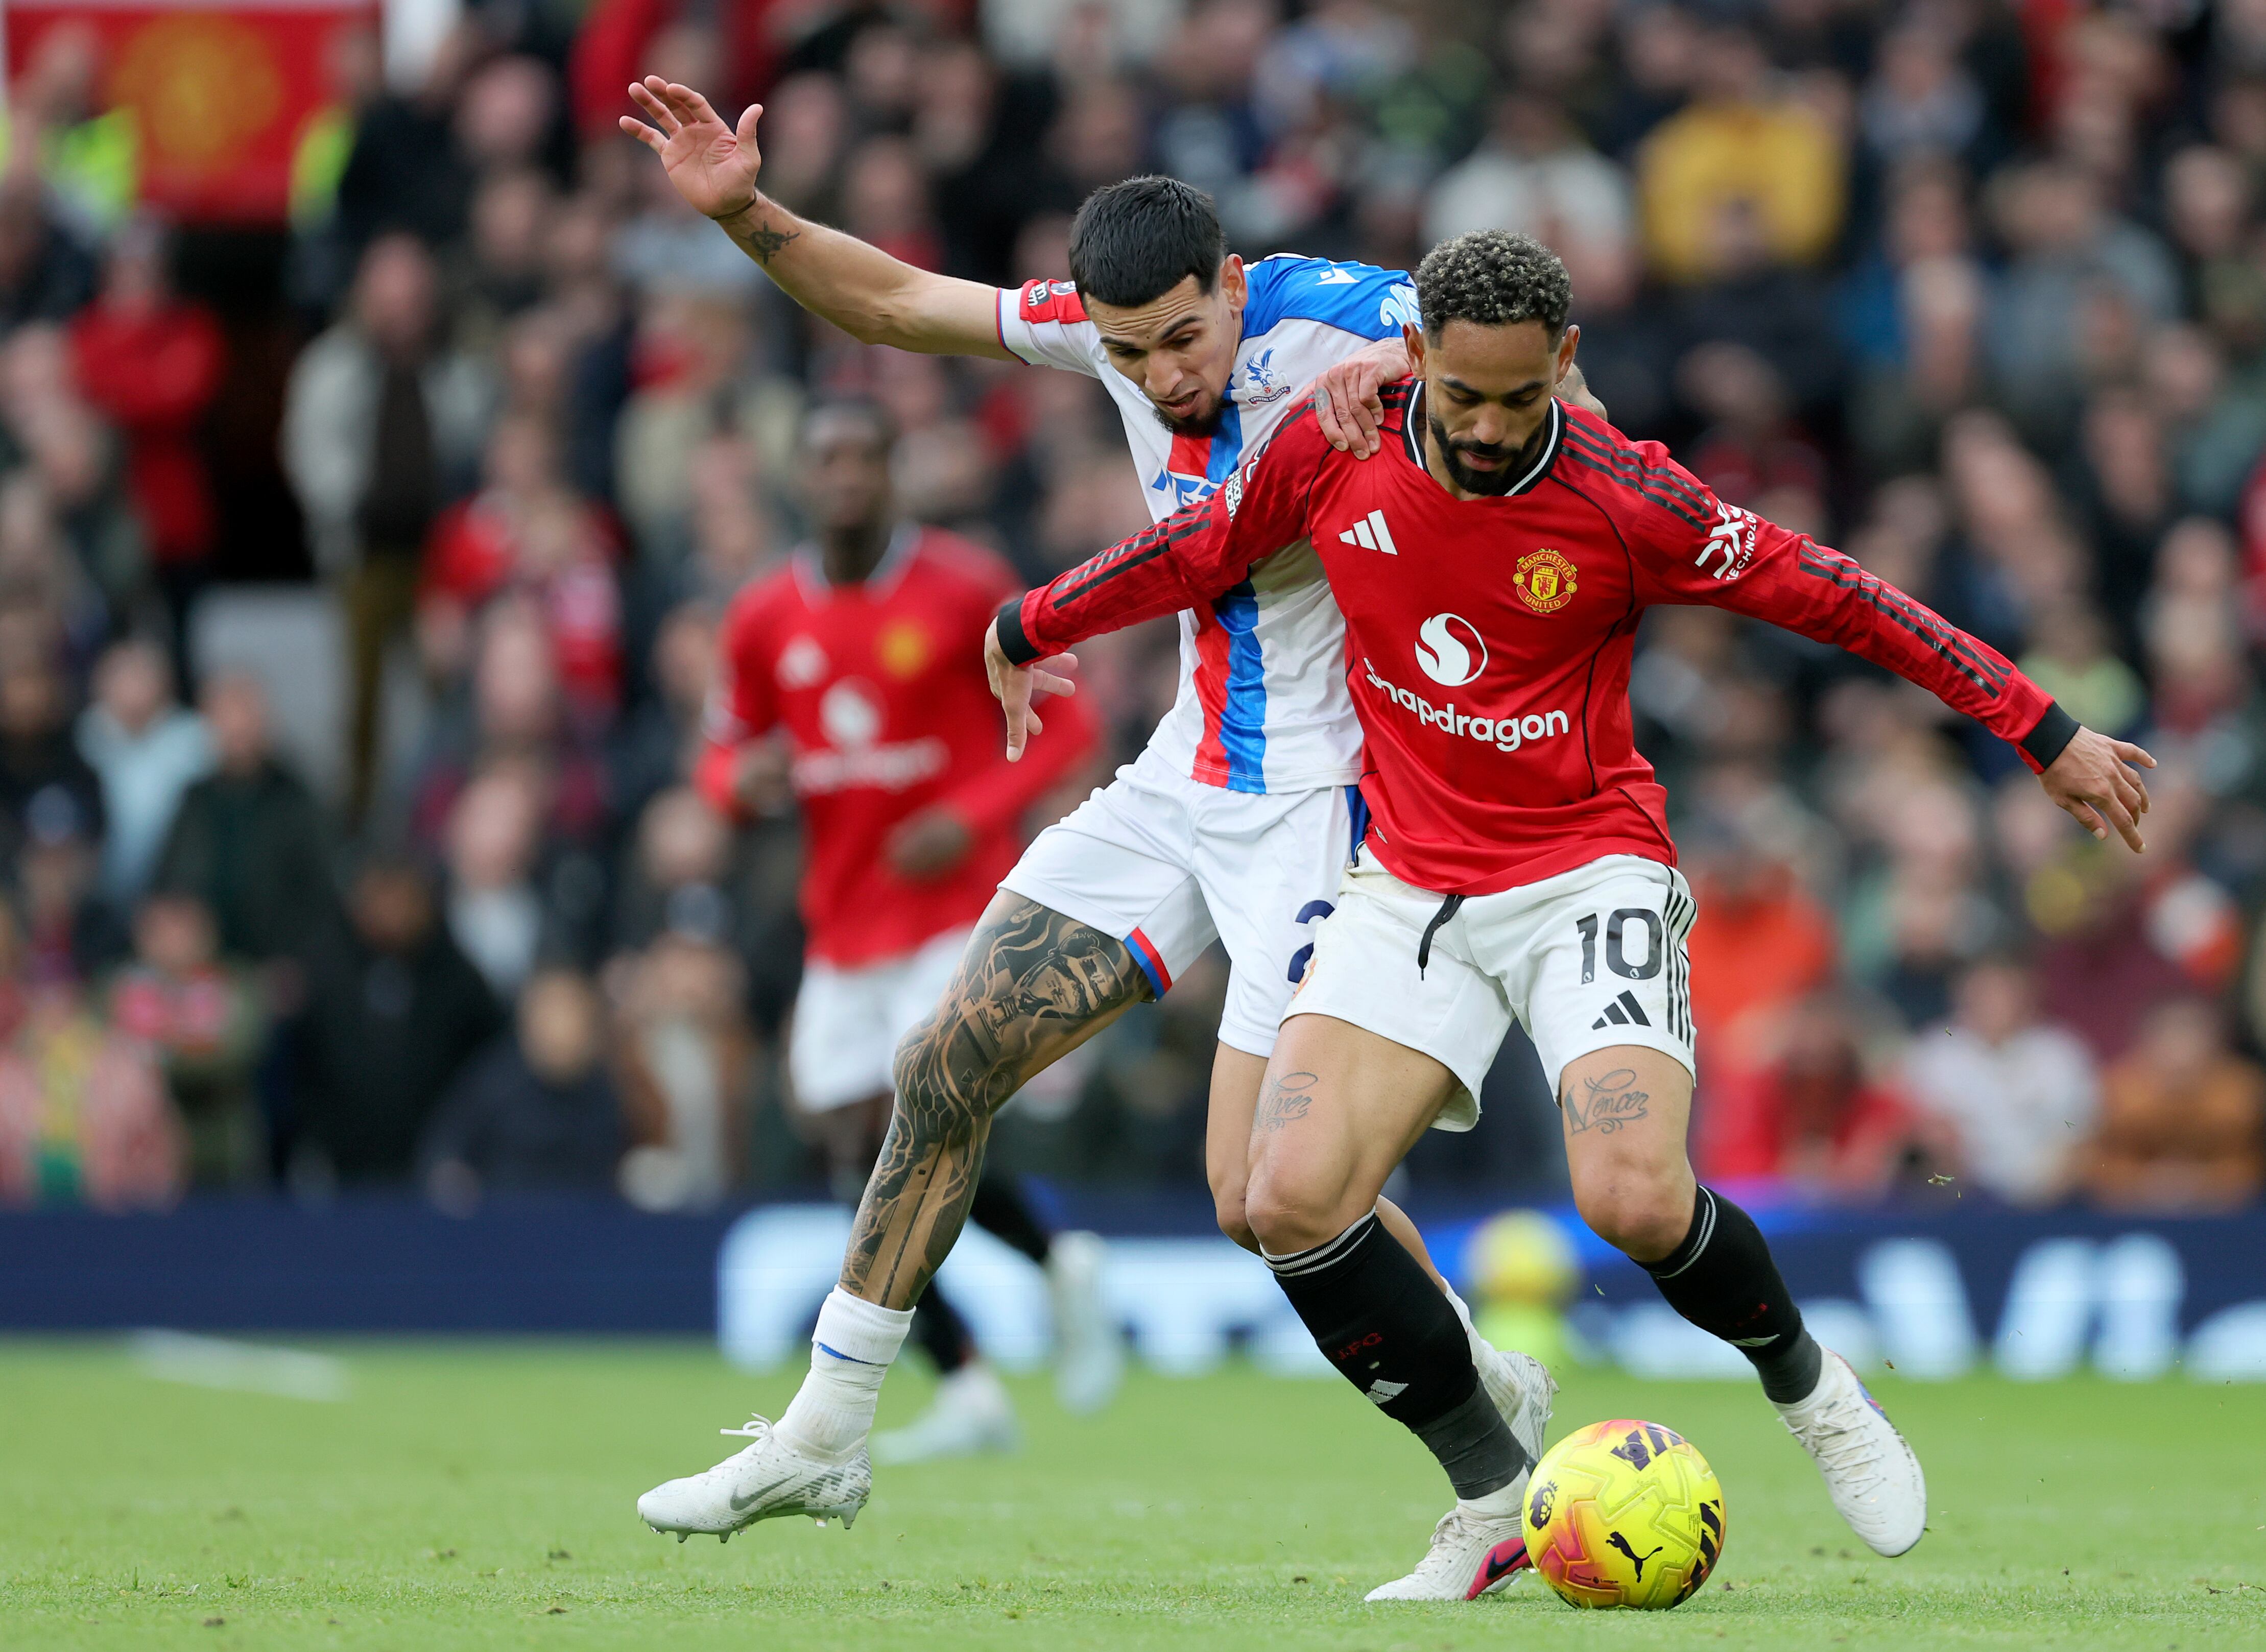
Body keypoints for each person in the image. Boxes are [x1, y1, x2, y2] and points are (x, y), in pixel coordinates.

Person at [976, 231, 2154, 1594]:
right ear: (1407, 356)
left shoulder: (1626, 498)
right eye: (1459, 395)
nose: (1483, 429)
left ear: (1565, 367)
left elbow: (1840, 598)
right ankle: (1488, 1494)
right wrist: (1034, 618)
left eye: (1516, 399)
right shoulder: (1326, 444)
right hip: (1409, 877)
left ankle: (1811, 1385)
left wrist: (2040, 726)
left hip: (1583, 868)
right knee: (1282, 1199)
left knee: (1632, 1198)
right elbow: (1201, 546)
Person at [625, 80, 1567, 1560]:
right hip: (1184, 772)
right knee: (942, 1059)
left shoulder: (1341, 313)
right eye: (1128, 354)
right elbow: (888, 303)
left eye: (1185, 340)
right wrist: (746, 212)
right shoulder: (1104, 331)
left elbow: (1531, 369)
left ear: (1233, 288)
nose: (1163, 374)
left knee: (1263, 1203)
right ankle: (826, 1430)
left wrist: (1404, 373)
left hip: (1332, 801)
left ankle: (1488, 1447)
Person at [691, 398, 1109, 1459]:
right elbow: (720, 754)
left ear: (890, 475)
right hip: (840, 923)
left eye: (860, 459)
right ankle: (1010, 1324)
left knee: (912, 1118)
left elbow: (1077, 720)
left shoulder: (963, 586)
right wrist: (741, 781)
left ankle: (1005, 1320)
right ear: (799, 475)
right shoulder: (761, 616)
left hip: (949, 909)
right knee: (850, 1157)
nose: (841, 477)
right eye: (822, 457)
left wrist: (962, 816)